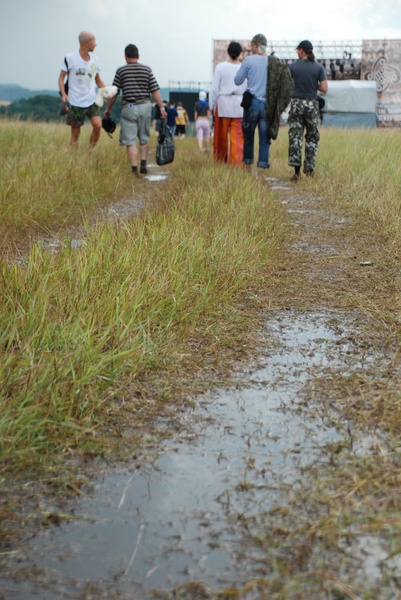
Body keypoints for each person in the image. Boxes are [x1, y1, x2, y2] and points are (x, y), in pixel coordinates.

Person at [104, 44, 166, 176]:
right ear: (138, 56)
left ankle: (134, 169)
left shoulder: (121, 71)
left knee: (130, 140)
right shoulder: (147, 70)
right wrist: (161, 107)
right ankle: (144, 163)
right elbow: (154, 90)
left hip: (128, 107)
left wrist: (108, 108)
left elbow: (114, 92)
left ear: (125, 57)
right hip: (145, 106)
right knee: (144, 137)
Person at [58, 31, 106, 149]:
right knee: (75, 134)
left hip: (91, 100)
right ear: (87, 42)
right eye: (94, 42)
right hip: (75, 102)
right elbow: (61, 78)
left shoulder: (95, 59)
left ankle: (89, 153)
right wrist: (64, 94)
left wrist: (107, 90)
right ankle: (73, 160)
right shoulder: (70, 58)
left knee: (98, 125)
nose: (96, 45)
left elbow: (98, 80)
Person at [288, 40, 328, 180]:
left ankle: (296, 172)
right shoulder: (318, 67)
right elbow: (324, 88)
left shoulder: (292, 67)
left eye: (298, 50)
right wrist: (315, 86)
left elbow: (287, 87)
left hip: (296, 104)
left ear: (301, 50)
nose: (297, 53)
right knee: (312, 136)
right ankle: (309, 169)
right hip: (312, 105)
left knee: (295, 136)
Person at [234, 33, 270, 171]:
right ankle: (262, 171)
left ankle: (248, 169)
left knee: (248, 136)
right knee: (265, 139)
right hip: (267, 104)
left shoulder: (248, 61)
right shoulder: (272, 61)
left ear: (255, 46)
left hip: (252, 104)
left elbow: (237, 80)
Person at [209, 41, 246, 166]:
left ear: (228, 52)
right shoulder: (244, 68)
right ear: (240, 53)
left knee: (221, 137)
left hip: (223, 104)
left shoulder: (220, 67)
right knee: (237, 138)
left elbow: (214, 89)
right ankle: (236, 163)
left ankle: (220, 161)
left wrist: (211, 106)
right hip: (239, 105)